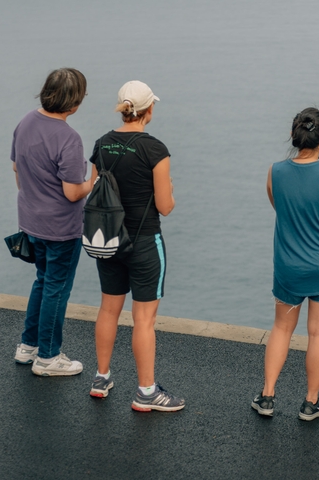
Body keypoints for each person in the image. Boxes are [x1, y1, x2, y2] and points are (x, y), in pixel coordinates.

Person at [87, 80, 184, 412]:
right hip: (144, 242)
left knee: (108, 309)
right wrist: (169, 185)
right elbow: (166, 206)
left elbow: (94, 191)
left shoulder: (101, 145)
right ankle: (145, 392)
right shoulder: (155, 150)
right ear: (149, 110)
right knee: (143, 320)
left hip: (109, 240)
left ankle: (101, 377)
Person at [252, 108, 319, 421]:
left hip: (288, 265)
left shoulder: (274, 172)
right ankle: (310, 403)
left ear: (295, 137)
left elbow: (277, 206)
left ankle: (267, 396)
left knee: (281, 328)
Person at [11, 68, 94, 376]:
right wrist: (93, 182)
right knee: (56, 289)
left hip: (30, 221)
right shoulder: (68, 138)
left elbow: (17, 169)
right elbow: (73, 192)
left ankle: (28, 346)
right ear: (74, 102)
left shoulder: (26, 122)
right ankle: (48, 357)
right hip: (61, 227)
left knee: (42, 282)